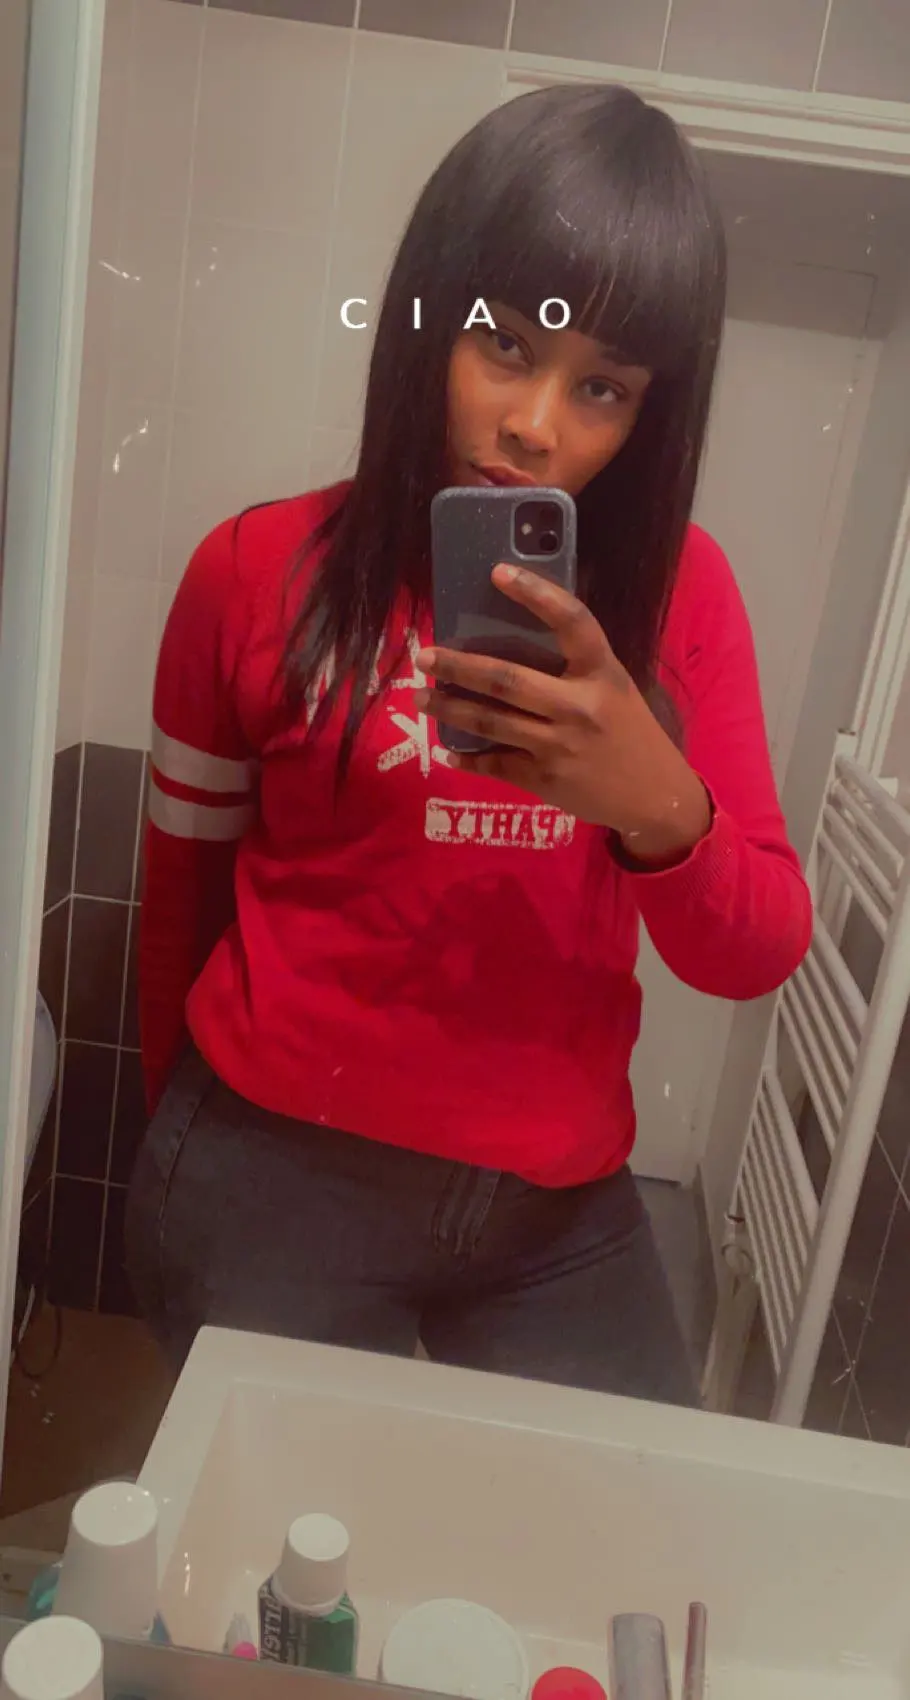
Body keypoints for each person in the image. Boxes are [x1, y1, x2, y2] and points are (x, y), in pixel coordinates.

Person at [124, 82, 812, 1406]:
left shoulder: (682, 599)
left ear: (649, 413)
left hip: (555, 1217)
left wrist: (656, 806)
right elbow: (179, 904)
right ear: (427, 319)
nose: (537, 424)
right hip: (275, 1171)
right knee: (299, 1536)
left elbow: (757, 951)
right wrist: (185, 1148)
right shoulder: (253, 570)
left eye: (601, 386)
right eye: (504, 345)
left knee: (623, 1523)